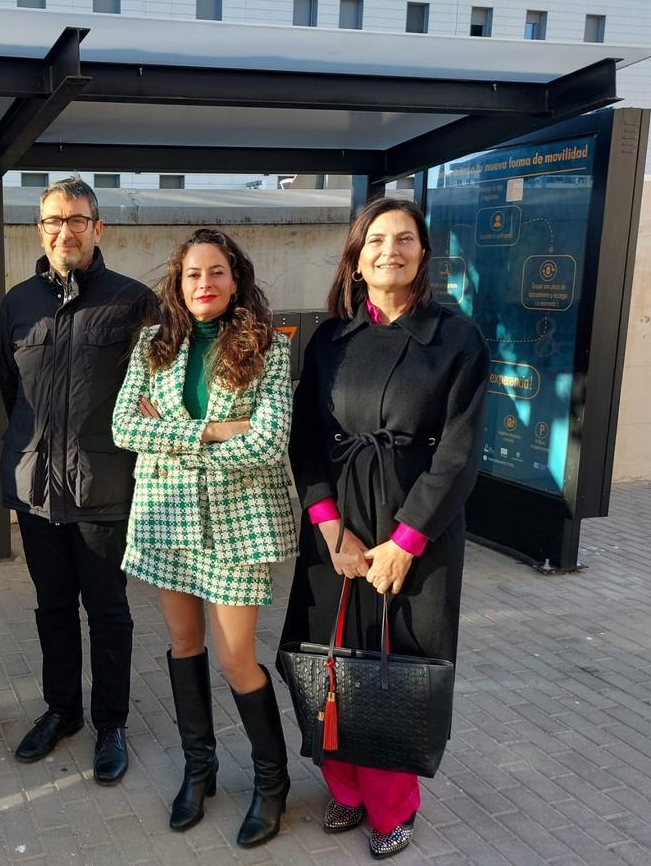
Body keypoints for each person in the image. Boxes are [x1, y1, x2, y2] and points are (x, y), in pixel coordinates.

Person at [279, 197, 488, 859]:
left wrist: (406, 541)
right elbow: (305, 438)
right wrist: (328, 526)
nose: (388, 252)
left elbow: (458, 452)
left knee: (399, 664)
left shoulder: (455, 338)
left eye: (404, 240)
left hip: (415, 527)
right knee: (328, 658)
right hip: (337, 525)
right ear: (357, 256)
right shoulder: (330, 338)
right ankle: (342, 785)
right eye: (375, 241)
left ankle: (393, 803)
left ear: (423, 254)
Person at [111, 228, 297, 846]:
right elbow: (121, 427)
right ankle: (201, 770)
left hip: (238, 527)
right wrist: (218, 433)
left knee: (235, 657)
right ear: (178, 281)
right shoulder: (153, 343)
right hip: (168, 518)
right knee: (183, 646)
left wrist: (172, 433)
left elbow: (269, 443)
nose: (204, 284)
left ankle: (272, 784)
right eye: (193, 274)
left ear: (235, 278)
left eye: (216, 272)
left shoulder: (268, 346)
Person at [0, 177, 156, 785]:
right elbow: (12, 393)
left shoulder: (135, 302)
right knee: (52, 607)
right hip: (38, 491)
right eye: (52, 221)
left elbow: (151, 397)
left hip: (104, 492)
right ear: (40, 230)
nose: (65, 231)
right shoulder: (17, 304)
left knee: (108, 610)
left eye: (77, 220)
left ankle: (110, 721)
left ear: (98, 228)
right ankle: (61, 709)